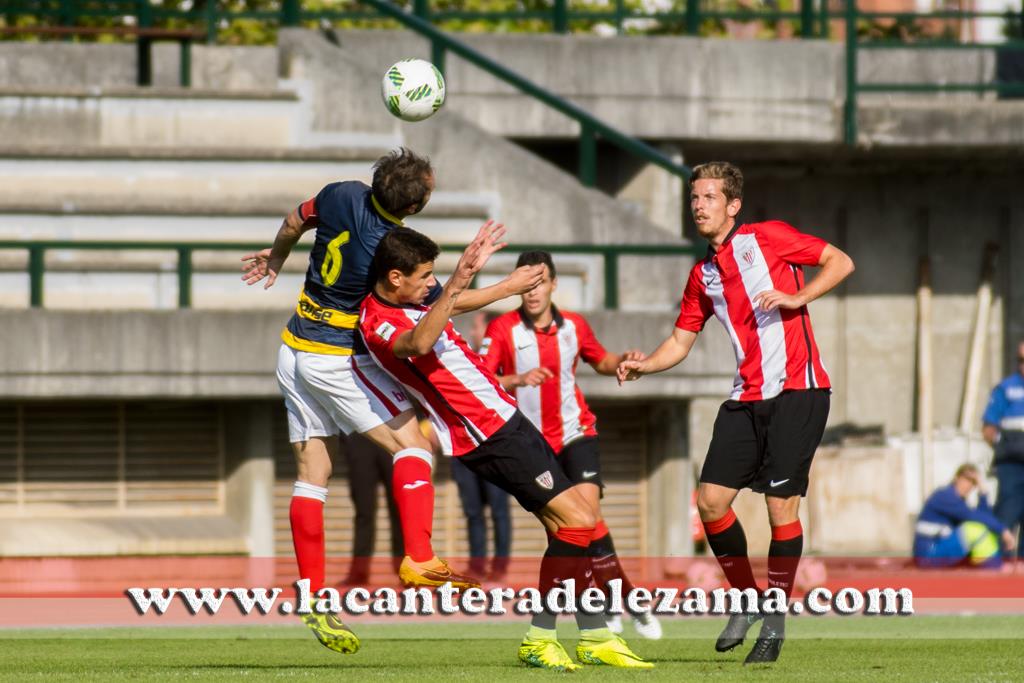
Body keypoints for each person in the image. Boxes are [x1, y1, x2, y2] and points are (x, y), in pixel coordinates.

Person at [241, 147, 543, 654]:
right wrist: (508, 287)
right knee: (413, 448)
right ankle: (419, 556)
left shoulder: (341, 193)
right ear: (416, 207)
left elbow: (295, 220)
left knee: (312, 475)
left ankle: (314, 599)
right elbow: (445, 303)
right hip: (336, 356)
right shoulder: (392, 249)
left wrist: (275, 257)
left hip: (292, 347)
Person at [360, 226, 653, 670]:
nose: (430, 284)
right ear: (395, 277)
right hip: (484, 431)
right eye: (424, 277)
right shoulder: (377, 321)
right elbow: (418, 343)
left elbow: (451, 303)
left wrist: (501, 286)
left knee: (576, 524)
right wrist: (461, 283)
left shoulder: (414, 296)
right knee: (577, 519)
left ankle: (593, 634)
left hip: (506, 419)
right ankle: (541, 637)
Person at [617, 161, 855, 665]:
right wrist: (645, 366)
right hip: (746, 397)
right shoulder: (701, 274)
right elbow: (681, 341)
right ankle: (746, 600)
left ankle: (774, 622)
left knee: (778, 508)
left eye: (708, 197)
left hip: (800, 391)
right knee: (710, 502)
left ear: (733, 204)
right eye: (694, 198)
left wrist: (798, 296)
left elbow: (839, 261)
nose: (699, 206)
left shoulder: (769, 237)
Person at [481, 250, 661, 639]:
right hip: (531, 445)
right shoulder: (502, 330)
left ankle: (611, 604)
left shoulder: (574, 327)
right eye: (525, 282)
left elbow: (601, 360)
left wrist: (624, 362)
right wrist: (517, 378)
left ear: (553, 284)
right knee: (567, 532)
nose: (532, 290)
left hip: (576, 432)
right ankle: (621, 600)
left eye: (539, 281)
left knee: (588, 514)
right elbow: (483, 378)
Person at [452, 311, 512, 581]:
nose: (473, 333)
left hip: (496, 446)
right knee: (473, 511)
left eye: (477, 327)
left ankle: (499, 570)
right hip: (465, 448)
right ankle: (476, 567)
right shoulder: (463, 359)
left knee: (499, 509)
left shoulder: (505, 361)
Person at [914, 464, 1015, 568]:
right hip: (929, 556)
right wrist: (1003, 530)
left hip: (938, 550)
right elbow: (973, 516)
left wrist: (982, 491)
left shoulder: (958, 501)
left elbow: (984, 517)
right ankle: (996, 569)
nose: (969, 485)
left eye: (973, 482)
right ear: (956, 478)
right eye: (967, 479)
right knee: (974, 531)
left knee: (984, 528)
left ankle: (995, 567)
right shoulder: (944, 496)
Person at [339, 432, 403, 585]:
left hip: (392, 435)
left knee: (400, 509)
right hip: (359, 437)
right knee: (363, 512)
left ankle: (405, 569)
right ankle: (359, 571)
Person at [982, 339, 1024, 559]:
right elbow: (988, 429)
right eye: (1020, 360)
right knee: (1007, 516)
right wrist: (1004, 447)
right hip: (1012, 466)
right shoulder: (1006, 389)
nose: (1022, 365)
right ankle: (1000, 566)